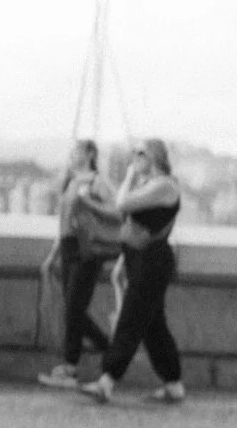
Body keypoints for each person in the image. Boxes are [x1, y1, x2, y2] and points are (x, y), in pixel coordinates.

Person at [75, 138, 186, 405]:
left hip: (153, 260)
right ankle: (173, 384)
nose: (135, 159)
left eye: (140, 154)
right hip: (139, 258)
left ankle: (107, 381)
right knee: (153, 325)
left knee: (131, 318)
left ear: (154, 157)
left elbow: (122, 204)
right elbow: (125, 216)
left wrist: (129, 176)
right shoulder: (148, 185)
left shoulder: (165, 186)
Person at [37, 139, 116, 389]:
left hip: (88, 250)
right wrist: (54, 255)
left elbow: (115, 213)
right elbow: (65, 223)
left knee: (74, 309)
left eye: (77, 151)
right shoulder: (71, 181)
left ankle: (74, 365)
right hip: (69, 248)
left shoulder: (97, 182)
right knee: (73, 311)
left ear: (90, 154)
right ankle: (107, 351)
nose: (72, 156)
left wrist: (88, 201)